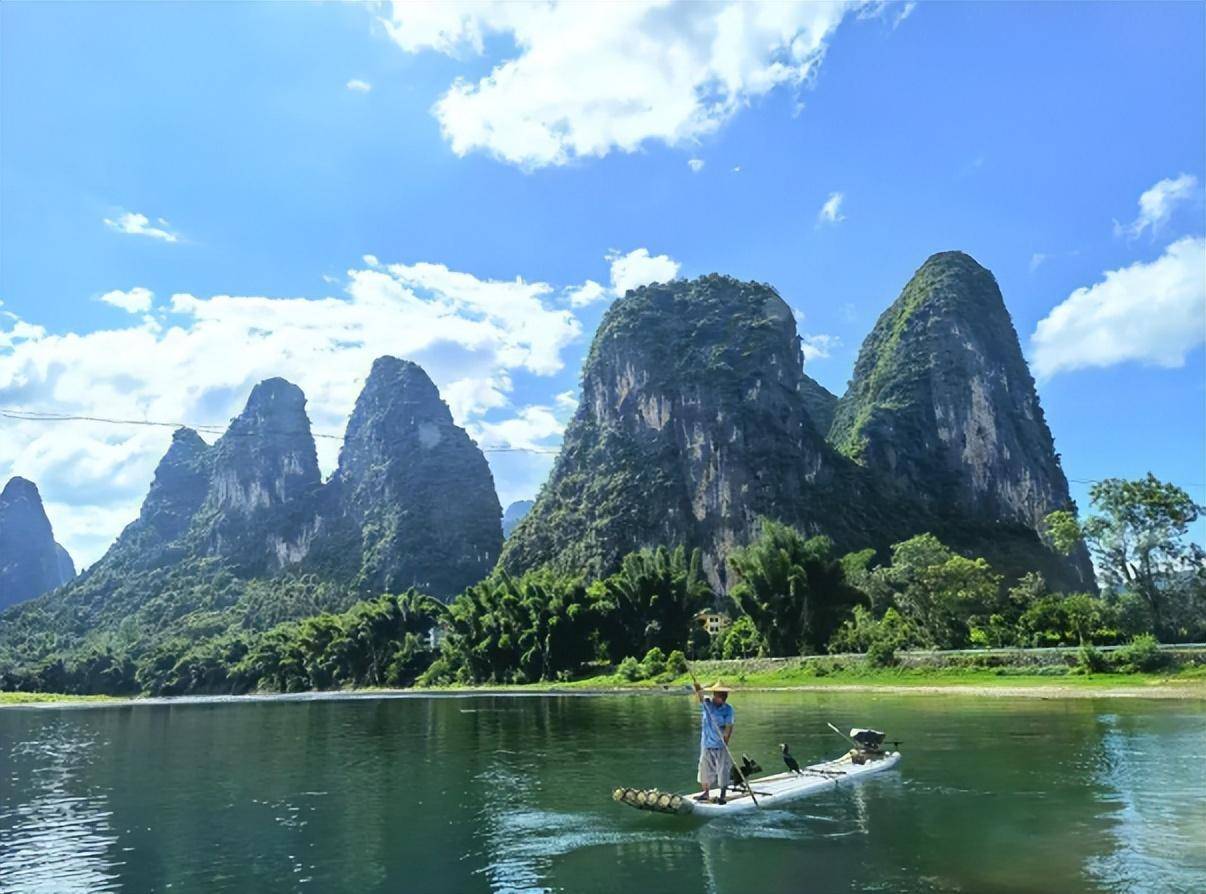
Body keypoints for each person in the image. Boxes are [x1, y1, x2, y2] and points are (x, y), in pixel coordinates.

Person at [693, 680, 734, 804]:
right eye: (718, 695)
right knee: (704, 768)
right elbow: (700, 696)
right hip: (706, 743)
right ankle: (706, 793)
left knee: (722, 769)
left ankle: (723, 794)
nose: (721, 698)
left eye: (723, 696)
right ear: (715, 695)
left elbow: (729, 727)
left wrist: (725, 741)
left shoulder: (728, 709)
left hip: (720, 744)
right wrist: (697, 688)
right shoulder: (707, 705)